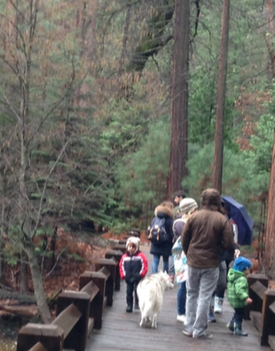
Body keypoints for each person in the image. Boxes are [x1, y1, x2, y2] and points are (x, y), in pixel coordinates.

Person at [181, 188, 235, 339]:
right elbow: (229, 243)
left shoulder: (193, 217)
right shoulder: (221, 219)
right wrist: (219, 251)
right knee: (204, 296)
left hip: (193, 262)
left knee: (191, 294)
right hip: (211, 263)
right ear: (218, 201)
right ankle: (199, 331)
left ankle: (189, 327)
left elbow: (184, 239)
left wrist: (189, 253)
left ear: (203, 200)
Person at [209, 201, 240, 320]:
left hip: (221, 255)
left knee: (222, 281)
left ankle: (216, 300)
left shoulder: (225, 221)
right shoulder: (205, 218)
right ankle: (208, 309)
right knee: (209, 282)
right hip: (208, 256)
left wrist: (234, 248)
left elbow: (230, 239)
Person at [172, 198, 198, 323]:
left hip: (192, 256)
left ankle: (189, 312)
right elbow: (187, 238)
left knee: (191, 286)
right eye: (195, 209)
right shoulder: (179, 223)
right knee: (183, 285)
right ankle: (180, 312)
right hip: (182, 258)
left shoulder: (193, 221)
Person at [119, 236, 148, 313]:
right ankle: (129, 305)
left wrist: (141, 274)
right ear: (127, 247)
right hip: (128, 277)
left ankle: (137, 303)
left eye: (133, 247)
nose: (131, 248)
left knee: (137, 291)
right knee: (129, 292)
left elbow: (144, 265)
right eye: (130, 246)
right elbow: (121, 266)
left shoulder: (140, 256)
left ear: (137, 248)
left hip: (137, 277)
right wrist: (123, 275)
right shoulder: (124, 257)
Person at [227, 256, 252, 336]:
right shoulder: (241, 279)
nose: (249, 271)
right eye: (248, 269)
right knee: (240, 314)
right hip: (239, 300)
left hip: (233, 299)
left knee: (237, 312)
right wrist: (246, 297)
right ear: (244, 269)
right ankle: (237, 329)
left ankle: (231, 324)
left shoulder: (233, 275)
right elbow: (239, 290)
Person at [150, 201, 174, 274]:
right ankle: (165, 276)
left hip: (156, 242)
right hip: (166, 244)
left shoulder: (155, 218)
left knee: (155, 260)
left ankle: (154, 276)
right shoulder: (170, 220)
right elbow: (171, 233)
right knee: (165, 261)